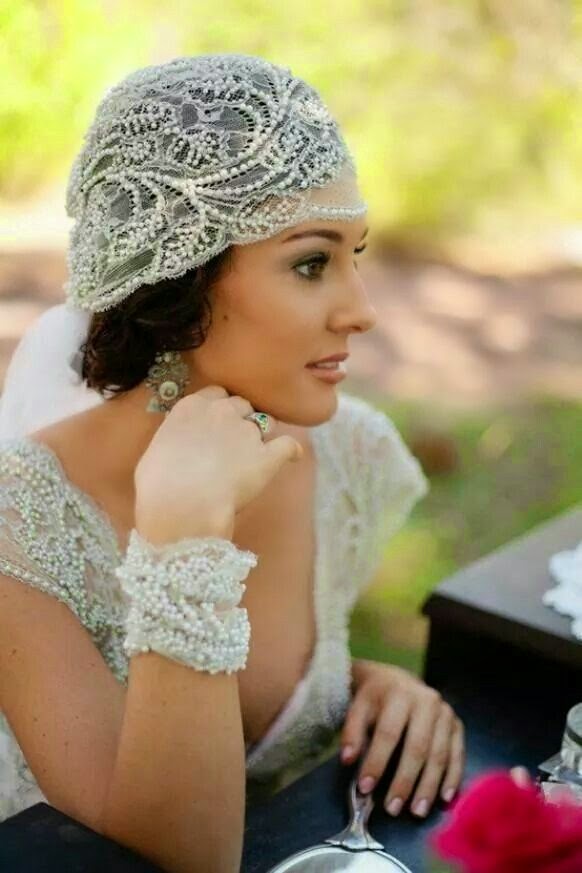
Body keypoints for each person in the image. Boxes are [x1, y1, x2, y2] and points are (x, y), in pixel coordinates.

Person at [0, 54, 464, 872]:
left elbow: (249, 692)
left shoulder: (349, 451)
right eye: (312, 262)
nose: (362, 310)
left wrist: (367, 683)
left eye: (357, 254)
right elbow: (184, 853)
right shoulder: (19, 523)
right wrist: (183, 539)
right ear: (179, 282)